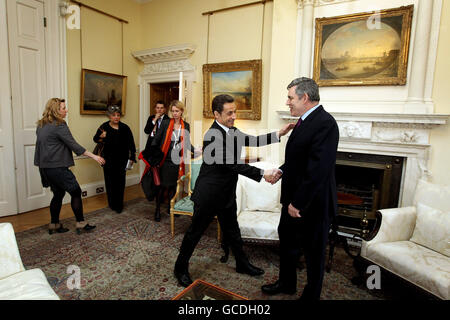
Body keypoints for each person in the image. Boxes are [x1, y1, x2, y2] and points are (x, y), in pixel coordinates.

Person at [173, 94, 295, 287]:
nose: (233, 116)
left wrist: (278, 133)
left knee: (233, 231)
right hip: (209, 195)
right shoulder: (211, 136)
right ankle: (180, 268)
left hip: (227, 193)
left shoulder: (232, 131)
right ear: (216, 114)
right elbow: (233, 164)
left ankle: (241, 263)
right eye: (229, 113)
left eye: (234, 111)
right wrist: (264, 173)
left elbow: (253, 140)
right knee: (195, 233)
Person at [261, 77, 339, 300]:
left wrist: (299, 203)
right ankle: (287, 284)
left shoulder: (325, 123)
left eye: (290, 97)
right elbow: (301, 159)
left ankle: (311, 295)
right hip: (293, 199)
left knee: (314, 253)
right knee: (287, 243)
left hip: (310, 203)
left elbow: (318, 169)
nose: (287, 102)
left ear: (305, 97)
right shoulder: (304, 120)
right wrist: (282, 170)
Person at [34, 98, 105, 235]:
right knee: (76, 192)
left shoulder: (41, 125)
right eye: (63, 108)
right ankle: (81, 223)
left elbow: (42, 148)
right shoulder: (59, 125)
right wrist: (95, 156)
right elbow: (74, 145)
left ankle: (54, 224)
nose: (66, 110)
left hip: (45, 168)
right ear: (56, 110)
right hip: (57, 168)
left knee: (58, 194)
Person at [150, 100, 200, 222]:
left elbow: (187, 143)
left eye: (177, 111)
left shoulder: (186, 125)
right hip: (164, 159)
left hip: (176, 159)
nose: (175, 113)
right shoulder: (166, 123)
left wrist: (196, 151)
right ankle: (157, 210)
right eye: (173, 111)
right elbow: (156, 139)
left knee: (173, 185)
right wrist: (154, 154)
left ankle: (170, 207)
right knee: (161, 186)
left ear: (182, 111)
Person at [93, 105, 136, 214]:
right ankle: (111, 203)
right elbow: (95, 139)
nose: (116, 117)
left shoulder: (125, 127)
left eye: (118, 115)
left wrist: (132, 157)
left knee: (120, 183)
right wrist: (102, 136)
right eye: (114, 115)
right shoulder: (104, 127)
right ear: (109, 116)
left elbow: (131, 143)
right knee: (110, 182)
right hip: (108, 160)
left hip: (122, 159)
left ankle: (119, 205)